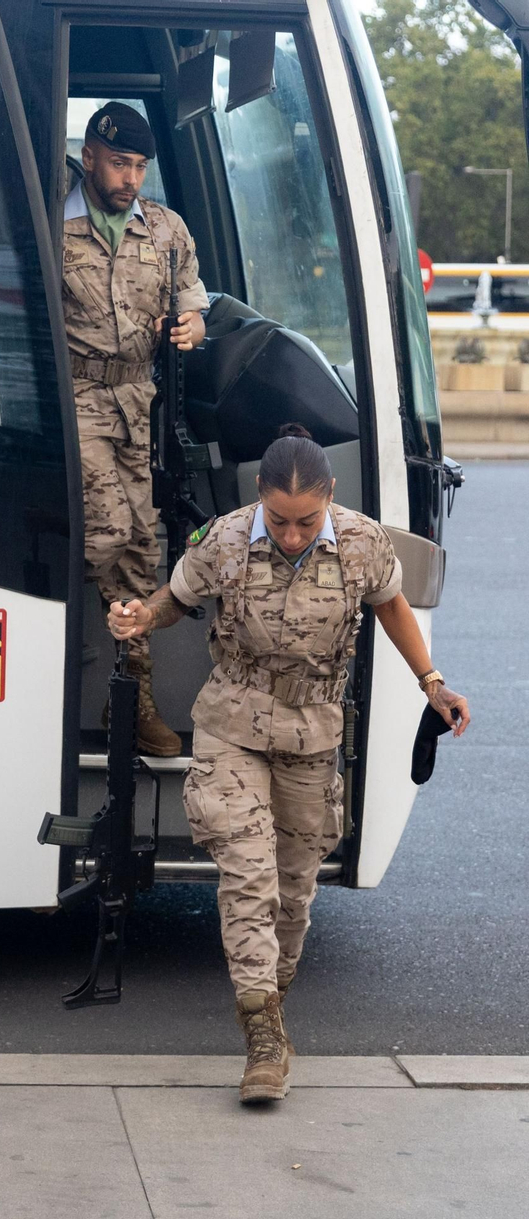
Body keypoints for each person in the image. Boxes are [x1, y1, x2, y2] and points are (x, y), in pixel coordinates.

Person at [107, 425, 471, 1104]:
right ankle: (263, 1038)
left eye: (306, 521)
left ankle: (271, 1003)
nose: (294, 534)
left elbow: (391, 603)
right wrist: (138, 616)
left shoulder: (362, 542)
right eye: (280, 520)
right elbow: (174, 600)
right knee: (247, 874)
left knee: (294, 891)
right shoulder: (223, 539)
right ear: (259, 498)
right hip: (233, 724)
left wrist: (432, 682)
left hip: (313, 732)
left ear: (329, 496)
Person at [63, 101, 207, 756]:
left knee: (141, 551)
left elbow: (193, 299)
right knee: (108, 532)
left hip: (135, 399)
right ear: (89, 155)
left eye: (139, 167)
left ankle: (131, 701)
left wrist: (190, 325)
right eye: (119, 163)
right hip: (76, 392)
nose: (130, 179)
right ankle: (44, 667)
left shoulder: (166, 229)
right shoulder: (53, 223)